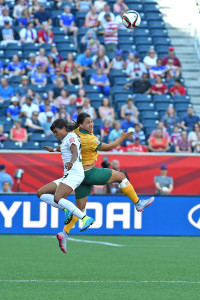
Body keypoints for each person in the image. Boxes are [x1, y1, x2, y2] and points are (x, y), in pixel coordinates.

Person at [45, 113, 154, 253]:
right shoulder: (90, 139)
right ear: (81, 125)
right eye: (88, 122)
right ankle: (138, 203)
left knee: (80, 209)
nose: (91, 124)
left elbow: (65, 147)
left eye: (92, 122)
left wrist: (54, 149)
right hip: (89, 173)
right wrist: (121, 138)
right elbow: (109, 147)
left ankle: (64, 233)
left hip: (77, 177)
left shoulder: (74, 133)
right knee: (121, 176)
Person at [37, 118, 95, 253]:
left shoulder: (71, 137)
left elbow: (74, 152)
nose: (56, 135)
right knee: (41, 193)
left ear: (64, 128)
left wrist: (71, 162)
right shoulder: (66, 140)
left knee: (58, 198)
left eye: (57, 132)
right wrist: (53, 150)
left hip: (75, 174)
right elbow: (65, 149)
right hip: (68, 175)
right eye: (54, 134)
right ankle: (66, 210)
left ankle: (84, 218)